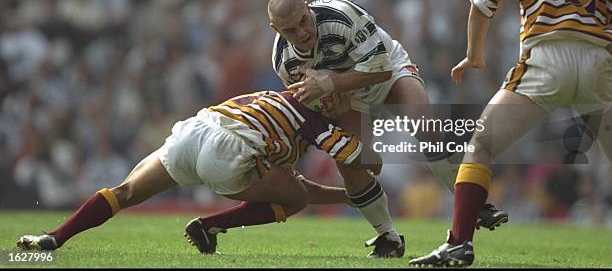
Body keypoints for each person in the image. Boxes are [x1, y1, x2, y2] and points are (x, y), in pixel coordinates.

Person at [409, 0, 612, 267]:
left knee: (480, 147)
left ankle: (458, 244)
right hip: (599, 62)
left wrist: (474, 55)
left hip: (546, 60)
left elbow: (482, 2)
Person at [267, 0, 509, 254]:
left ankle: (474, 206)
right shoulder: (284, 62)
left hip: (388, 71)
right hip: (350, 97)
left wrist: (330, 82)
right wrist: (334, 108)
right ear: (275, 29)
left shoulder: (343, 15)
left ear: (307, 5)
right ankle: (388, 238)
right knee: (350, 162)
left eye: (303, 21)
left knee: (425, 126)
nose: (302, 33)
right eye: (290, 30)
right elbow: (317, 105)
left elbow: (381, 71)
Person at [17, 90, 384, 256]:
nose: (341, 101)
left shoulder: (269, 97)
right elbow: (363, 161)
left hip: (192, 133)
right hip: (227, 150)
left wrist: (347, 199)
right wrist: (370, 174)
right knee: (296, 200)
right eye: (338, 95)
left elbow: (291, 183)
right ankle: (208, 225)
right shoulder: (314, 121)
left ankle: (54, 238)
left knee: (125, 192)